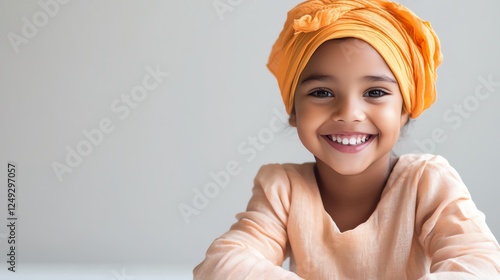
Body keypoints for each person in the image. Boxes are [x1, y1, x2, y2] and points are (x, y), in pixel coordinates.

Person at [193, 0, 500, 278]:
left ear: (405, 110)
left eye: (375, 93)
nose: (349, 113)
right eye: (322, 93)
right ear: (294, 111)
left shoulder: (426, 183)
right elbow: (222, 265)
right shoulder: (283, 189)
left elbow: (480, 266)